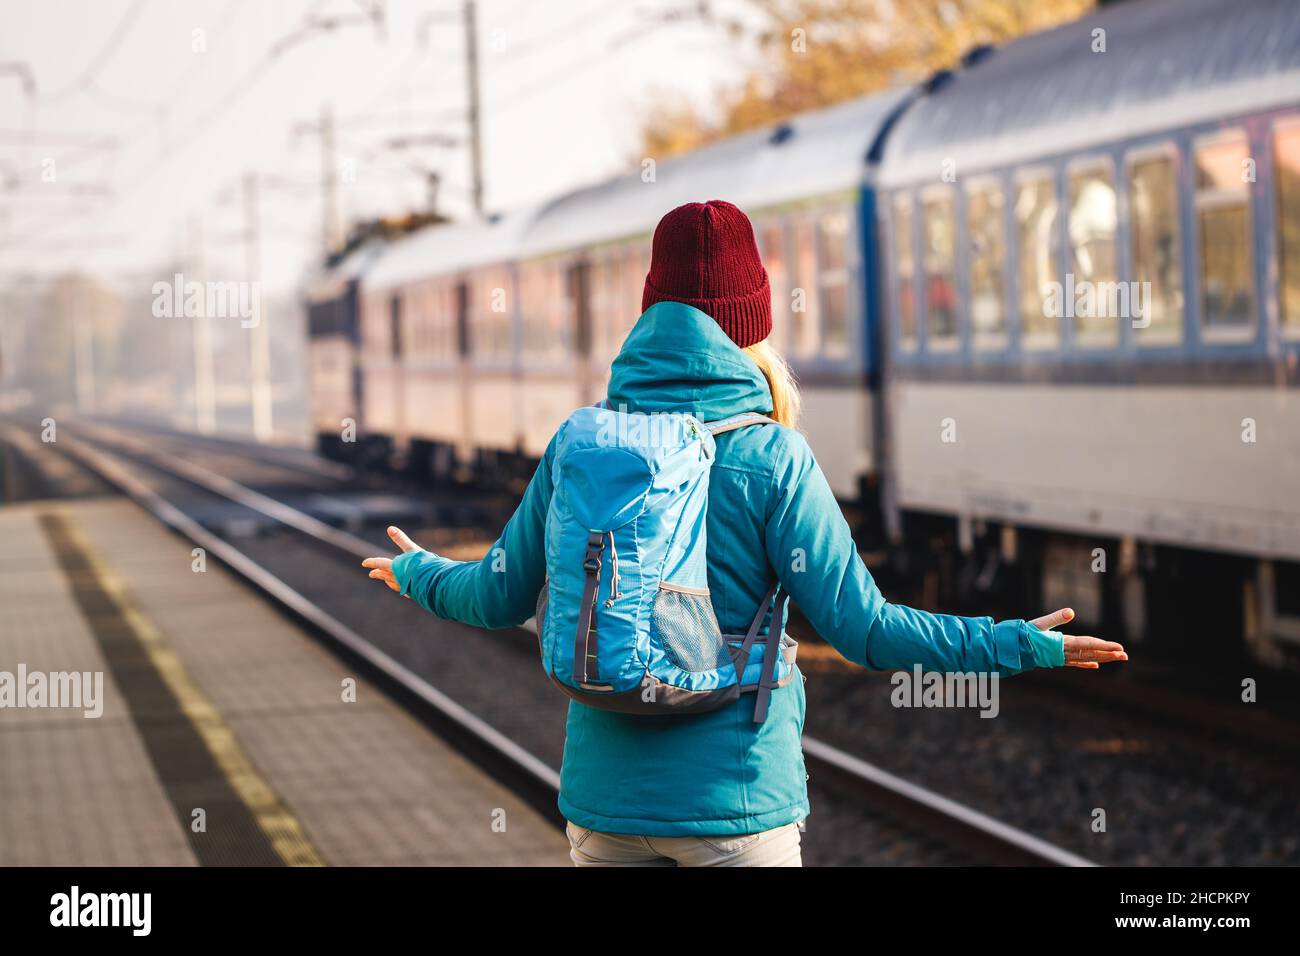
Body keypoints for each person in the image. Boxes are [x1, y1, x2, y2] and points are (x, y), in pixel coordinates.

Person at [362, 200, 1128, 867]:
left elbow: (498, 596)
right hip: (734, 809)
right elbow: (867, 631)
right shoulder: (773, 457)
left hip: (605, 811)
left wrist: (418, 573)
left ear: (648, 314)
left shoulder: (581, 443)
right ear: (752, 324)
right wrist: (1020, 645)